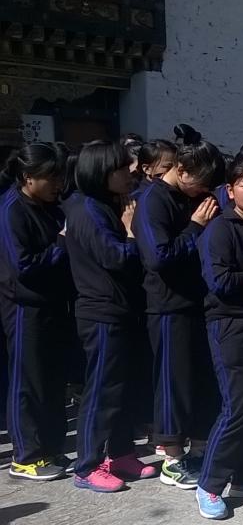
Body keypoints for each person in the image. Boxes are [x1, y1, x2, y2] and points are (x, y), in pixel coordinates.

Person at [65, 141, 158, 492]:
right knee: (101, 389)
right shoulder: (86, 210)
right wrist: (132, 231)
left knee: (123, 387)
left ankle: (119, 454)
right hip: (101, 313)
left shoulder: (106, 205)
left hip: (121, 310)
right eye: (120, 168)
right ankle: (86, 465)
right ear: (101, 172)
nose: (128, 174)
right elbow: (115, 257)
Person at [134, 137, 225, 488]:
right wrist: (194, 228)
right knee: (173, 382)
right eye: (201, 181)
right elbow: (159, 257)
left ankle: (199, 448)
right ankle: (170, 454)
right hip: (167, 305)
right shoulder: (153, 200)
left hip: (195, 302)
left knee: (199, 380)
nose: (204, 191)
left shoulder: (190, 196)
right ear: (181, 170)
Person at [194, 153, 243, 519]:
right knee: (237, 407)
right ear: (230, 190)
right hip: (230, 325)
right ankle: (209, 483)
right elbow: (221, 282)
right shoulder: (220, 230)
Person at [0, 143, 73, 480]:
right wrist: (60, 244)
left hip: (53, 304)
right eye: (51, 177)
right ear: (28, 177)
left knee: (52, 378)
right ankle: (26, 455)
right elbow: (23, 265)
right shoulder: (12, 210)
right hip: (23, 306)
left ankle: (52, 447)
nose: (58, 183)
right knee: (27, 380)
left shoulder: (50, 206)